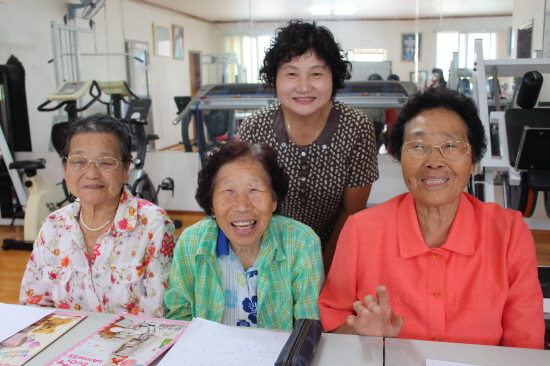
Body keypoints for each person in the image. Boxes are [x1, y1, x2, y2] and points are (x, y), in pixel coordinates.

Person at [318, 88, 544, 349]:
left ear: (473, 162)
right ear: (399, 158)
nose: (434, 161)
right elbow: (332, 323)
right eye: (418, 146)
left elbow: (525, 343)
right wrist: (361, 333)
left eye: (450, 146)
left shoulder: (508, 232)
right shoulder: (361, 230)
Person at [238, 20, 379, 273]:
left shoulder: (357, 127)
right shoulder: (254, 128)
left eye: (316, 73)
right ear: (275, 79)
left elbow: (352, 213)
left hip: (335, 251)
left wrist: (321, 270)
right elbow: (247, 206)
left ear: (333, 77)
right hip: (268, 254)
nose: (304, 86)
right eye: (291, 73)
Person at [20, 114, 175, 318]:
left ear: (126, 168)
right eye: (78, 161)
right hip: (63, 342)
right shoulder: (53, 226)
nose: (92, 173)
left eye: (105, 162)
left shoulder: (152, 225)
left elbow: (157, 314)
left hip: (129, 346)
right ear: (65, 168)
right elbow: (33, 304)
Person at [165, 141, 324, 330]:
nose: (242, 206)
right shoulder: (191, 242)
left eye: (254, 190)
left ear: (273, 200)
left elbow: (308, 328)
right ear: (211, 203)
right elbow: (179, 319)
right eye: (228, 191)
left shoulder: (301, 243)